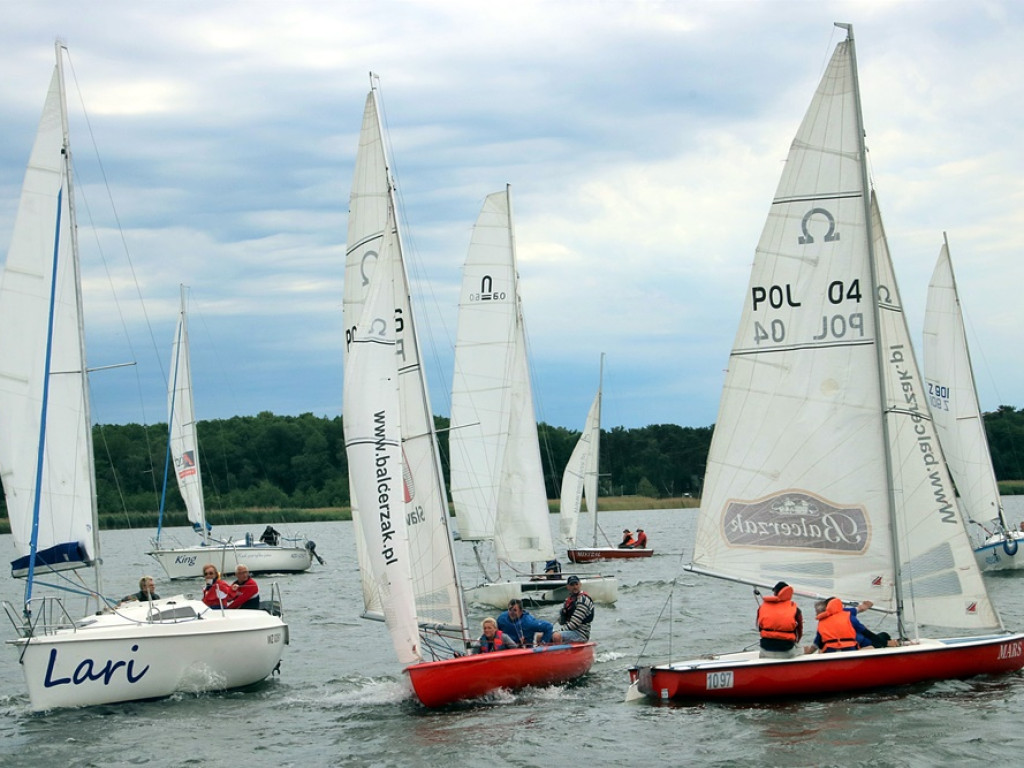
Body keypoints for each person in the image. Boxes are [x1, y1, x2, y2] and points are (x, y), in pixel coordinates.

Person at [756, 581, 803, 658]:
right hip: (786, 650)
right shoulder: (795, 610)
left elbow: (759, 627)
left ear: (775, 593)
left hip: (765, 649)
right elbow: (799, 632)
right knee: (801, 649)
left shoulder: (762, 607)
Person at [556, 575, 594, 642]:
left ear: (580, 584)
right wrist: (562, 615)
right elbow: (561, 622)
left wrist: (558, 632)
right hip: (569, 632)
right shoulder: (568, 601)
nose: (575, 587)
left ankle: (557, 651)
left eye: (576, 584)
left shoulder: (583, 600)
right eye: (572, 585)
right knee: (542, 635)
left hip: (580, 634)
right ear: (568, 587)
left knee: (555, 636)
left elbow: (574, 624)